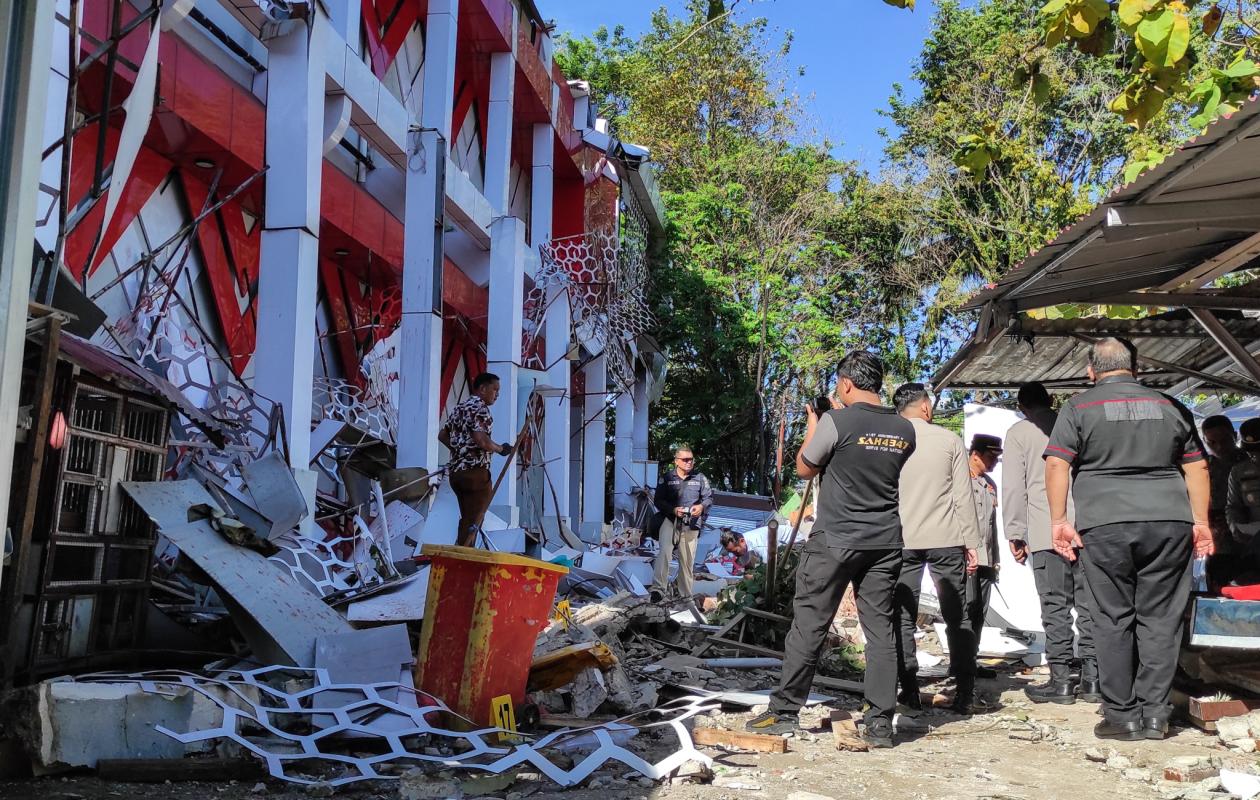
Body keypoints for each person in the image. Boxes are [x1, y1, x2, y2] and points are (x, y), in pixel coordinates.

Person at [1045, 337, 1213, 742]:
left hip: (1105, 523)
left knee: (1111, 617)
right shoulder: (1170, 406)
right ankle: (1155, 715)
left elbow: (1057, 464)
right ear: (1136, 367)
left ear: (1090, 371)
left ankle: (1122, 716)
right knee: (1161, 618)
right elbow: (1197, 467)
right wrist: (1201, 522)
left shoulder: (1078, 407)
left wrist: (1059, 520)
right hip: (1169, 522)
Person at [746, 351, 915, 748]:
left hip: (834, 540)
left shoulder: (836, 422)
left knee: (810, 625)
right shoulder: (905, 429)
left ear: (846, 383)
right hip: (885, 541)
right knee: (881, 631)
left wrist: (815, 423)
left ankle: (784, 712)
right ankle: (880, 723)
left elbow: (805, 468)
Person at [1002, 381, 1098, 705]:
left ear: (1022, 407)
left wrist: (1015, 532)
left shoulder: (1020, 432)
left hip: (1046, 530)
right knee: (1088, 606)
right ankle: (1093, 680)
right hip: (1084, 527)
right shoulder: (1076, 424)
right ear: (1051, 400)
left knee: (1055, 607)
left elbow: (1014, 487)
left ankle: (1061, 681)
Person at [890, 382, 981, 715]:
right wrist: (972, 543)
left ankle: (910, 689)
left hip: (901, 540)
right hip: (946, 538)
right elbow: (963, 496)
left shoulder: (890, 440)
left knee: (902, 616)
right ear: (926, 407)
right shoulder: (949, 440)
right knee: (957, 616)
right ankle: (965, 693)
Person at [437, 373, 512, 548]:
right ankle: (463, 554)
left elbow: (442, 435)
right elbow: (481, 440)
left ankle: (462, 549)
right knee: (474, 518)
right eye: (495, 389)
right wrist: (501, 449)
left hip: (456, 473)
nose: (497, 395)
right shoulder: (481, 409)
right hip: (475, 472)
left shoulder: (459, 408)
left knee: (467, 516)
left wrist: (460, 450)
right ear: (483, 389)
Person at [651, 446, 713, 601]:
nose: (689, 462)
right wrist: (673, 510)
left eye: (691, 459)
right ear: (676, 461)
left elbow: (709, 498)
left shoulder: (700, 478)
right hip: (670, 520)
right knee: (664, 554)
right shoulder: (667, 478)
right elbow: (658, 500)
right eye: (685, 459)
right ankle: (658, 591)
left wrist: (701, 507)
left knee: (687, 561)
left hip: (691, 523)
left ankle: (684, 595)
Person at [966, 434, 1002, 659]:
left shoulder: (990, 484)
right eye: (991, 457)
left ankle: (972, 659)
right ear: (976, 455)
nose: (995, 462)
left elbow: (992, 526)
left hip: (986, 559)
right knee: (966, 610)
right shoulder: (960, 480)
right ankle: (961, 663)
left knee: (979, 612)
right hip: (966, 558)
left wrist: (995, 559)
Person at [1204, 415, 1244, 584]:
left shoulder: (1251, 462)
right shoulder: (1202, 468)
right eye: (1212, 442)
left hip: (1250, 541)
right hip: (1219, 546)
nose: (1219, 447)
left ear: (1235, 436)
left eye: (1225, 440)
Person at [1225, 418, 1260, 574]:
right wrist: (1235, 527)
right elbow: (1233, 506)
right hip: (1255, 541)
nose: (1255, 456)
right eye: (1251, 452)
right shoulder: (1239, 471)